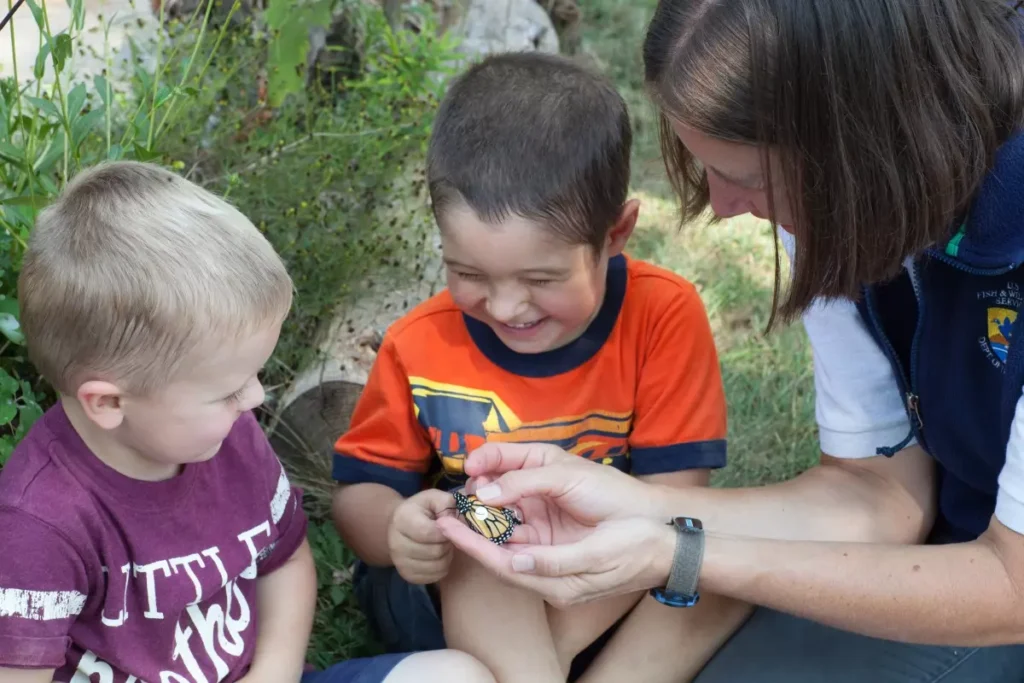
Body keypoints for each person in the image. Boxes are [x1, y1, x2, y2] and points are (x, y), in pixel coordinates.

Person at [435, 1, 1024, 681]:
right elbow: (880, 490)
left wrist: (682, 552)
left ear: (868, 140)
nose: (721, 205)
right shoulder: (849, 191)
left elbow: (1011, 589)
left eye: (750, 179)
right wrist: (640, 506)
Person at [330, 52, 750, 683]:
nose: (503, 305)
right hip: (453, 596)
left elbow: (672, 505)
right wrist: (396, 528)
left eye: (541, 277)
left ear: (617, 234)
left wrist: (568, 582)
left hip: (608, 578)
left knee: (723, 562)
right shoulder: (418, 343)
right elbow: (360, 491)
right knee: (480, 522)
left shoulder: (663, 315)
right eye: (468, 274)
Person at [0, 161, 495, 683]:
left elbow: (284, 560)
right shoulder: (38, 526)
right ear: (108, 403)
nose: (254, 397)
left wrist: (274, 673)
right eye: (228, 390)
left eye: (252, 377)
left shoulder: (225, 437)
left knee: (456, 675)